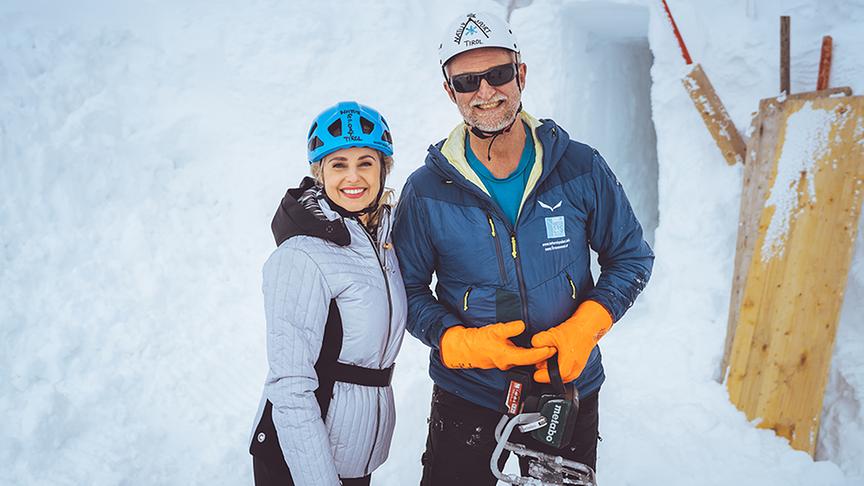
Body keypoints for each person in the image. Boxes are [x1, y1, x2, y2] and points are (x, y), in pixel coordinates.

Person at [392, 12, 654, 485]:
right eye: (468, 81)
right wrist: (457, 342)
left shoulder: (579, 167)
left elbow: (631, 257)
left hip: (564, 387)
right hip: (468, 390)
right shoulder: (428, 189)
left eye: (497, 74)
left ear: (522, 74)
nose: (485, 92)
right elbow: (405, 288)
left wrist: (585, 328)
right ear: (449, 91)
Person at [249, 101, 407, 486]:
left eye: (366, 162)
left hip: (352, 454)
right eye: (338, 164)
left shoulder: (379, 242)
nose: (353, 177)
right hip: (300, 462)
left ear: (383, 168)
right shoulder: (301, 254)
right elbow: (290, 385)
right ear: (319, 172)